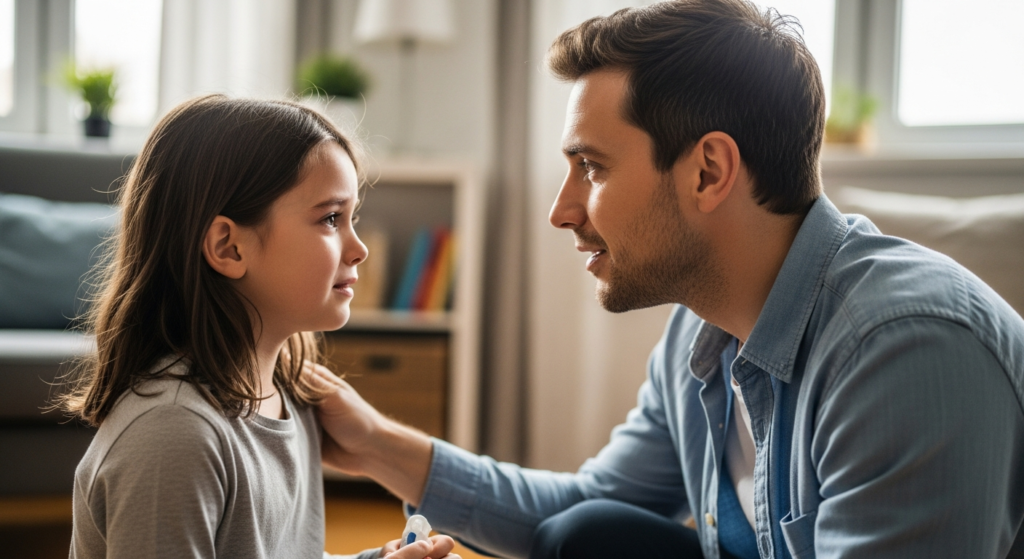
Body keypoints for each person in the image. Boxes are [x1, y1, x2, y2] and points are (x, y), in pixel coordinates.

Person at [302, 1, 1024, 558]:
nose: (561, 210)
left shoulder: (906, 351)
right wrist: (373, 443)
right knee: (586, 532)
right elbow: (585, 502)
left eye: (593, 166)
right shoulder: (703, 326)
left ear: (708, 171)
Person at [60, 95, 460, 559]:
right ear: (229, 247)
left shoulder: (289, 399)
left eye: (353, 218)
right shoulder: (174, 435)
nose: (359, 248)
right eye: (331, 218)